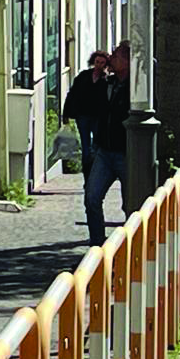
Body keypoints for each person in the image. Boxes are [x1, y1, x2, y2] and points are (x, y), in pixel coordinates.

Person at [84, 41, 131, 247]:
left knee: (130, 205)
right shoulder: (107, 83)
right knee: (92, 198)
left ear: (128, 62)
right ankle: (96, 245)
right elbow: (89, 104)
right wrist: (96, 79)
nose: (111, 58)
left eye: (117, 56)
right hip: (105, 151)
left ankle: (129, 248)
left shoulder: (136, 88)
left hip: (126, 153)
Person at [62, 50, 109, 178]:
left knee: (96, 145)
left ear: (106, 65)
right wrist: (66, 113)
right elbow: (72, 94)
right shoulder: (83, 76)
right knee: (85, 145)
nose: (99, 65)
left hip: (97, 117)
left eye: (102, 63)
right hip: (82, 115)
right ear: (93, 61)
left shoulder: (106, 80)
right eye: (97, 62)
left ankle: (95, 170)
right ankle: (87, 172)